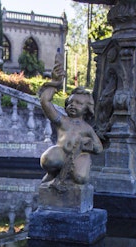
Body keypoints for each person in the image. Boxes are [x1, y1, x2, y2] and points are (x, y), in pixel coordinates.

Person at [39, 52, 103, 191]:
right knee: (49, 159)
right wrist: (55, 83)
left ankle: (70, 176)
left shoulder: (87, 128)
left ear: (87, 109)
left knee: (81, 178)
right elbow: (45, 102)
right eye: (71, 102)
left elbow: (99, 148)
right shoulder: (62, 120)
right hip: (61, 155)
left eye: (79, 103)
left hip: (78, 156)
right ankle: (53, 174)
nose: (73, 105)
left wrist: (87, 146)